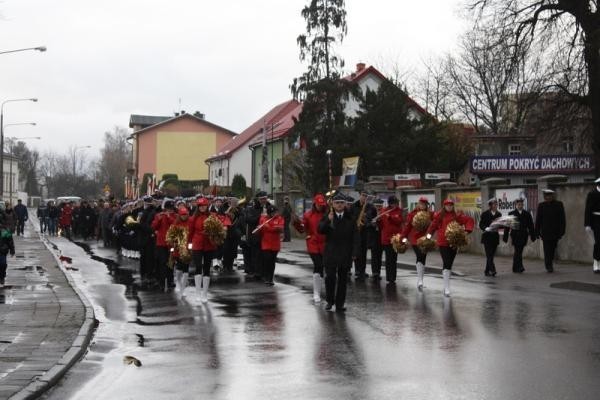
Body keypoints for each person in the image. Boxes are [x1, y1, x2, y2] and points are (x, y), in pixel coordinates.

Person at [318, 192, 357, 312]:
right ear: (333, 204)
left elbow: (355, 237)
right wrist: (327, 221)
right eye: (337, 203)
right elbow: (320, 230)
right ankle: (330, 301)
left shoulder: (350, 218)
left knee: (343, 279)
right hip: (331, 252)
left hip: (345, 252)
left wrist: (355, 252)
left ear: (345, 204)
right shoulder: (328, 216)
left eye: (341, 203)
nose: (339, 205)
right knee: (330, 277)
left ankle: (340, 303)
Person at [426, 199, 474, 297]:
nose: (449, 207)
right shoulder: (439, 215)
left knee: (449, 264)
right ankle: (447, 287)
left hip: (453, 243)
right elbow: (433, 226)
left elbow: (469, 220)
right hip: (443, 243)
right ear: (444, 206)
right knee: (447, 263)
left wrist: (467, 231)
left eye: (451, 205)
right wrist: (428, 236)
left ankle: (446, 284)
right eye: (447, 205)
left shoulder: (456, 215)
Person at [189, 197, 220, 302]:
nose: (202, 208)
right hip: (197, 244)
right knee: (198, 267)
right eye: (200, 206)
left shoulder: (212, 217)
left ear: (207, 206)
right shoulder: (193, 218)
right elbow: (190, 232)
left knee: (207, 268)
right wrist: (188, 245)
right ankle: (198, 292)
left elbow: (217, 230)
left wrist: (214, 237)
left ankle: (204, 294)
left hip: (209, 244)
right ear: (198, 207)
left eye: (204, 206)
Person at [298, 193, 327, 303]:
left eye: (322, 204)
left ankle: (321, 289)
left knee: (323, 266)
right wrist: (297, 224)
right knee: (318, 265)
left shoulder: (327, 214)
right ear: (315, 204)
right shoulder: (308, 215)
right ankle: (316, 293)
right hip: (313, 243)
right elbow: (303, 228)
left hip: (325, 244)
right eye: (319, 204)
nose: (321, 206)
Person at [401, 197, 433, 290]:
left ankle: (421, 279)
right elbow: (407, 227)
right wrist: (403, 237)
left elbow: (435, 224)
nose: (423, 205)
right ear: (418, 204)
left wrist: (429, 236)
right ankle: (420, 280)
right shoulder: (412, 214)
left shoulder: (430, 214)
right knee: (419, 256)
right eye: (421, 204)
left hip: (425, 239)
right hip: (415, 240)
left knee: (423, 257)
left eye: (425, 204)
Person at [535, 189, 566, 273]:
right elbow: (538, 220)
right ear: (545, 197)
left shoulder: (559, 204)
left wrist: (562, 231)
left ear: (552, 196)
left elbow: (562, 219)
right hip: (545, 232)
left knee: (552, 248)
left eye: (550, 196)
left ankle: (550, 262)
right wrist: (537, 231)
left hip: (555, 232)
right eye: (547, 196)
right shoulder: (541, 206)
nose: (548, 197)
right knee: (547, 249)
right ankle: (548, 265)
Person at [503, 198, 535, 273]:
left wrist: (533, 236)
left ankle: (515, 267)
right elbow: (507, 226)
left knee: (519, 251)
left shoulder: (527, 214)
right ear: (516, 205)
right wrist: (505, 237)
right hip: (515, 235)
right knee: (518, 251)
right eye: (518, 204)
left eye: (521, 204)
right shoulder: (511, 213)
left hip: (523, 235)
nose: (520, 206)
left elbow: (531, 226)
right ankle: (520, 267)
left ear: (523, 205)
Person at [151, 199, 177, 290]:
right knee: (161, 263)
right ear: (165, 209)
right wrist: (158, 219)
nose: (170, 210)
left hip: (171, 244)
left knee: (171, 263)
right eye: (168, 209)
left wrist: (169, 217)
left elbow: (175, 225)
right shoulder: (159, 215)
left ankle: (170, 281)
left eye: (171, 209)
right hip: (161, 243)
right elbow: (153, 227)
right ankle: (161, 281)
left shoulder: (175, 216)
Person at [167, 206, 192, 296]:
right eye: (182, 215)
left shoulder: (190, 222)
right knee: (179, 268)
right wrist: (173, 245)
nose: (184, 216)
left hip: (187, 248)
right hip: (178, 248)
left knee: (186, 268)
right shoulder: (175, 224)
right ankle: (178, 282)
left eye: (185, 215)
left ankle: (183, 287)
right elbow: (171, 236)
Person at [351, 190, 376, 280]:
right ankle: (357, 270)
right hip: (356, 231)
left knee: (364, 252)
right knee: (357, 252)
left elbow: (372, 217)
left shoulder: (370, 207)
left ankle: (362, 271)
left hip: (365, 231)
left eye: (366, 196)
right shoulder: (354, 205)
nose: (364, 197)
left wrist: (366, 218)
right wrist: (357, 220)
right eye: (363, 195)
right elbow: (351, 216)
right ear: (360, 195)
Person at [256, 206, 284, 285]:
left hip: (275, 244)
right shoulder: (263, 219)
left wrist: (269, 228)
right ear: (269, 213)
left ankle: (270, 278)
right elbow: (260, 232)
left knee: (272, 261)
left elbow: (280, 229)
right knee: (267, 260)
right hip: (266, 243)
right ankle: (266, 276)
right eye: (273, 212)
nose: (275, 214)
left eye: (276, 212)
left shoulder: (280, 219)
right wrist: (258, 229)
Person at [379, 195, 404, 284]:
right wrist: (376, 222)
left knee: (394, 258)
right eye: (394, 203)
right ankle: (389, 277)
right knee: (388, 259)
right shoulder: (384, 211)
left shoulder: (399, 211)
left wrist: (390, 217)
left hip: (396, 239)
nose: (396, 205)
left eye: (396, 203)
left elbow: (399, 221)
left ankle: (393, 277)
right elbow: (381, 225)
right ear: (390, 204)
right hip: (386, 239)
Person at [479, 198, 502, 276]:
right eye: (494, 204)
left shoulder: (499, 214)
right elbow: (481, 224)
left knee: (491, 255)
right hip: (487, 237)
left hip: (495, 237)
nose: (496, 205)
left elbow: (500, 225)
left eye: (496, 204)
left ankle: (486, 271)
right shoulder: (485, 214)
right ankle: (493, 270)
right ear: (490, 205)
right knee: (489, 254)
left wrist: (502, 224)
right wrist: (486, 228)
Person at [584, 178, 600, 274]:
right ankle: (596, 262)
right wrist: (587, 224)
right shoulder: (592, 194)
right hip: (596, 220)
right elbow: (588, 209)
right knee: (598, 242)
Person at [369, 198, 384, 281]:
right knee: (374, 255)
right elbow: (367, 223)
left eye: (380, 206)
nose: (378, 208)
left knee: (380, 255)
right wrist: (373, 223)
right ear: (374, 206)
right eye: (377, 206)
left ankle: (378, 272)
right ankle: (374, 272)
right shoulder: (371, 212)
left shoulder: (383, 213)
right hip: (373, 237)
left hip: (381, 237)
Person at [0, 223, 16, 287]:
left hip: (2, 251)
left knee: (3, 264)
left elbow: (10, 241)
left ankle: (2, 277)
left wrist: (12, 250)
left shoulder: (5, 231)